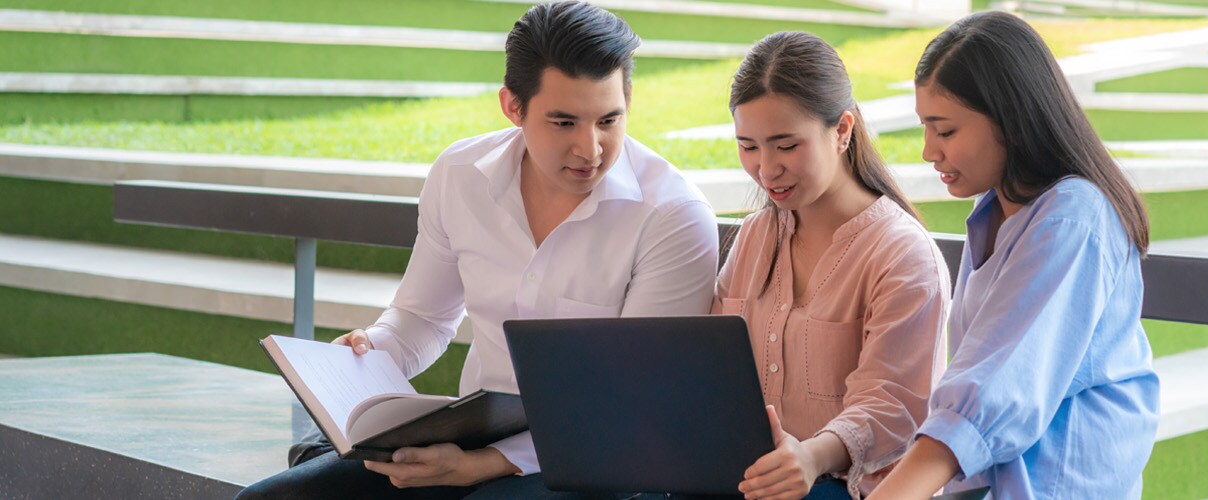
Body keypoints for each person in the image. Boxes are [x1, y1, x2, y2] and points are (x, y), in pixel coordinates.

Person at [236, 2, 719, 498]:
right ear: (513, 106)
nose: (590, 149)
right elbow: (422, 319)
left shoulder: (673, 216)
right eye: (564, 123)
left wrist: (483, 465)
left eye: (608, 120)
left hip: (596, 459)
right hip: (466, 438)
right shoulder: (460, 174)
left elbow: (637, 403)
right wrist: (368, 353)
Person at [867, 11, 1160, 500]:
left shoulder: (1072, 218)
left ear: (1009, 120)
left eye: (945, 131)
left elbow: (989, 395)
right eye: (925, 129)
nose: (928, 152)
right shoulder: (994, 215)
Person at [714, 31, 950, 500]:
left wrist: (810, 457)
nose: (765, 169)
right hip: (751, 482)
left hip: (850, 489)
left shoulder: (901, 253)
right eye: (748, 146)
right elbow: (711, 367)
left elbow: (891, 406)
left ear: (842, 130)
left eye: (785, 145)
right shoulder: (756, 237)